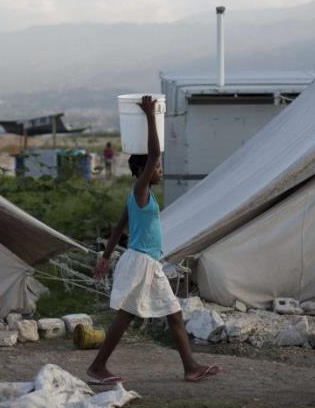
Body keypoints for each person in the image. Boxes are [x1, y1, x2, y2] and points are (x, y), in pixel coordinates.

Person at [88, 95, 222, 385]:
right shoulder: (140, 189)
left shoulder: (136, 198)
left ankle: (190, 367)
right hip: (140, 262)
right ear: (143, 172)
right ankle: (98, 367)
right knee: (128, 316)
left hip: (145, 262)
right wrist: (150, 115)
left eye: (159, 168)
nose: (160, 171)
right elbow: (152, 153)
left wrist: (105, 258)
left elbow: (117, 229)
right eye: (157, 169)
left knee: (172, 315)